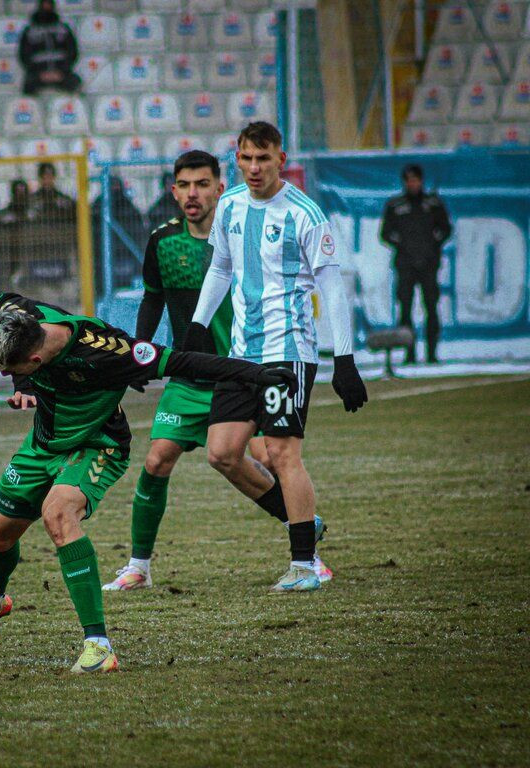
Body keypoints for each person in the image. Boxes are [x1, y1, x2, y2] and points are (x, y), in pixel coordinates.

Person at [0, 289, 297, 672]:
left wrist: (258, 375)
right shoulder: (18, 312)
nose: (6, 375)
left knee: (58, 514)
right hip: (44, 445)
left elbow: (185, 362)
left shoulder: (108, 352)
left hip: (98, 444)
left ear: (35, 359)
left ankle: (98, 646)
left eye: (10, 371)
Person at [186, 121, 368, 593]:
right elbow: (221, 268)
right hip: (241, 353)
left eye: (263, 159)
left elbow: (332, 284)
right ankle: (304, 522)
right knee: (223, 454)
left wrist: (343, 360)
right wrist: (198, 324)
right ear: (237, 158)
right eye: (246, 158)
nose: (253, 168)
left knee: (283, 454)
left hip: (288, 352)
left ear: (280, 160)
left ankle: (305, 564)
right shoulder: (228, 207)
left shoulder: (305, 214)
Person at [104, 151, 287, 591]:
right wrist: (139, 353)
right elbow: (152, 298)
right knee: (156, 459)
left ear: (219, 189)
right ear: (173, 191)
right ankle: (139, 567)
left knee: (266, 458)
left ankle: (305, 538)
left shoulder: (241, 238)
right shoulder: (162, 241)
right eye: (184, 185)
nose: (192, 193)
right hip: (188, 376)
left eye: (202, 184)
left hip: (239, 371)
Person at [379, 164, 452, 364]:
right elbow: (385, 234)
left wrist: (432, 246)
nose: (413, 184)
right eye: (409, 180)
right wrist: (403, 245)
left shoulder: (433, 203)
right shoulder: (395, 205)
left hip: (428, 264)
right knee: (405, 308)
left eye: (416, 180)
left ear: (421, 181)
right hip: (405, 264)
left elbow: (446, 229)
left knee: (431, 306)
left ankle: (432, 353)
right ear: (404, 182)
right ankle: (409, 353)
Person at [91, 175, 149, 295]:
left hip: (122, 256)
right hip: (108, 257)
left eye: (116, 186)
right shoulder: (98, 207)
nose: (114, 189)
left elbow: (139, 233)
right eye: (112, 186)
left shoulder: (127, 207)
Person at [18, 0, 81, 95]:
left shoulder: (63, 29)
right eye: (44, 4)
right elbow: (24, 56)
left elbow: (72, 53)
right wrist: (40, 74)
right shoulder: (29, 31)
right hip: (38, 74)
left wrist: (60, 72)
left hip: (61, 74)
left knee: (75, 83)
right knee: (28, 87)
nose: (46, 7)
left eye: (49, 4)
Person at [0, 179, 35, 286]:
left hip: (33, 260)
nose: (20, 196)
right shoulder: (0, 216)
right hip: (7, 260)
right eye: (17, 192)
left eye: (23, 192)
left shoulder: (36, 216)